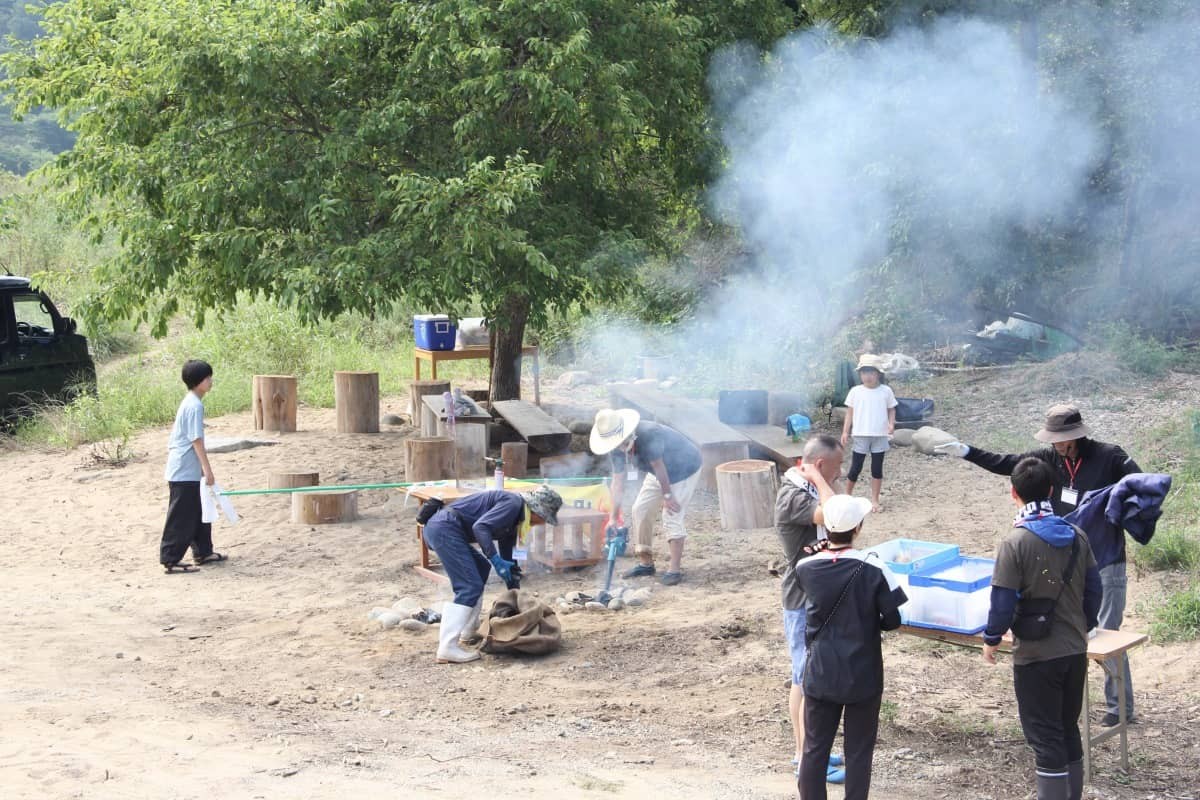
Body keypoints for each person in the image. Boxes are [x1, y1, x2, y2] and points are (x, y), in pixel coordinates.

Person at [937, 403, 1140, 726]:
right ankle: (1071, 700)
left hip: (1106, 557)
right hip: (1065, 560)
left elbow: (1142, 486)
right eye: (1054, 439)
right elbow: (1009, 465)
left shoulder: (1110, 456)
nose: (1057, 445)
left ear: (1078, 435)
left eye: (1063, 439)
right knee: (1066, 631)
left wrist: (1114, 505)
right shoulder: (1048, 459)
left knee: (1107, 633)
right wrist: (966, 451)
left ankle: (1120, 707)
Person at [982, 457, 1102, 800]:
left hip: (1036, 656)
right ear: (1051, 491)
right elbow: (1095, 592)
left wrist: (991, 639)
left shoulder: (1015, 543)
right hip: (1075, 650)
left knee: (1044, 736)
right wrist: (1083, 624)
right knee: (1067, 729)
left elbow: (1002, 603)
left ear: (1013, 493)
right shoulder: (1077, 535)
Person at [792, 495, 907, 800]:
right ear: (858, 528)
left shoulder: (805, 567)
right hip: (862, 673)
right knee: (858, 751)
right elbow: (893, 619)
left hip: (820, 671)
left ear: (825, 528)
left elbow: (811, 572)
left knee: (815, 748)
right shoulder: (873, 567)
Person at [422, 486, 563, 664]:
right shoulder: (513, 504)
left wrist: (513, 585)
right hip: (444, 529)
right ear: (536, 510)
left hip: (447, 529)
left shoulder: (517, 517)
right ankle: (447, 647)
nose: (541, 523)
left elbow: (507, 550)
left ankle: (468, 630)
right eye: (543, 518)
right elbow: (481, 528)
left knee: (481, 569)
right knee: (469, 586)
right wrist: (495, 560)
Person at [775, 435, 846, 783]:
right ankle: (806, 758)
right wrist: (820, 479)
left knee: (809, 675)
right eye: (836, 466)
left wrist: (823, 480)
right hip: (801, 598)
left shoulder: (808, 489)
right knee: (803, 678)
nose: (841, 471)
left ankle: (810, 748)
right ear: (819, 466)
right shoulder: (793, 495)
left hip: (816, 594)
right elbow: (835, 518)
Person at [590, 408, 702, 586]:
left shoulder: (649, 434)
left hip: (684, 469)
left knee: (671, 515)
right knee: (639, 509)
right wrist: (613, 518)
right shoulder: (614, 447)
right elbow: (618, 482)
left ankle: (674, 569)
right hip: (658, 472)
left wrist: (667, 496)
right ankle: (646, 563)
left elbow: (659, 466)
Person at [160, 359, 225, 574]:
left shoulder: (192, 401)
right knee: (182, 516)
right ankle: (171, 559)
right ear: (199, 382)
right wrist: (208, 469)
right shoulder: (194, 405)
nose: (211, 381)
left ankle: (203, 552)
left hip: (188, 470)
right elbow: (196, 440)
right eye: (208, 378)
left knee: (199, 512)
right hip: (183, 470)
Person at [840, 354, 897, 512]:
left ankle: (875, 501)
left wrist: (891, 424)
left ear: (878, 374)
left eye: (871, 372)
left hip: (880, 435)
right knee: (855, 467)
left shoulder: (886, 391)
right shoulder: (855, 391)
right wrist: (845, 432)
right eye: (864, 372)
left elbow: (891, 409)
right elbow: (849, 413)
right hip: (860, 434)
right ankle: (847, 497)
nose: (867, 376)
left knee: (877, 468)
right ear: (860, 374)